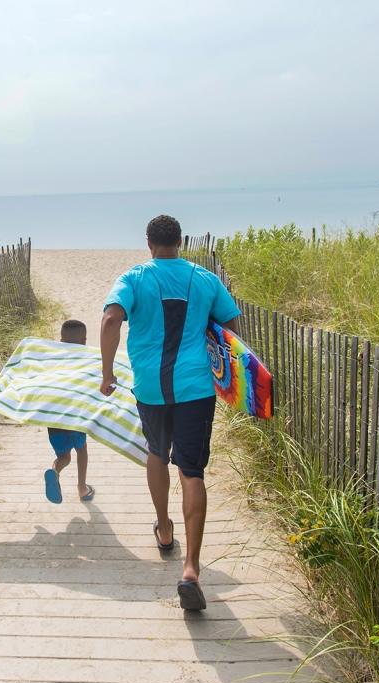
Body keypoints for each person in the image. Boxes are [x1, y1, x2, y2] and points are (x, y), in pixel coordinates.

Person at [99, 215, 241, 611]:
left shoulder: (134, 277)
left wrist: (107, 372)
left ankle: (164, 528)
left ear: (148, 242)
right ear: (180, 240)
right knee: (191, 470)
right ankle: (192, 568)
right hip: (196, 387)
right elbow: (230, 324)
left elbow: (111, 318)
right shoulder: (206, 278)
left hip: (150, 386)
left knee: (157, 452)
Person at [44, 320, 96, 504]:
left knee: (64, 456)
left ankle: (55, 471)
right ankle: (82, 489)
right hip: (74, 417)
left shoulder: (51, 361)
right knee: (81, 449)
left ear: (60, 340)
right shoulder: (86, 361)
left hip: (54, 419)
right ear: (84, 341)